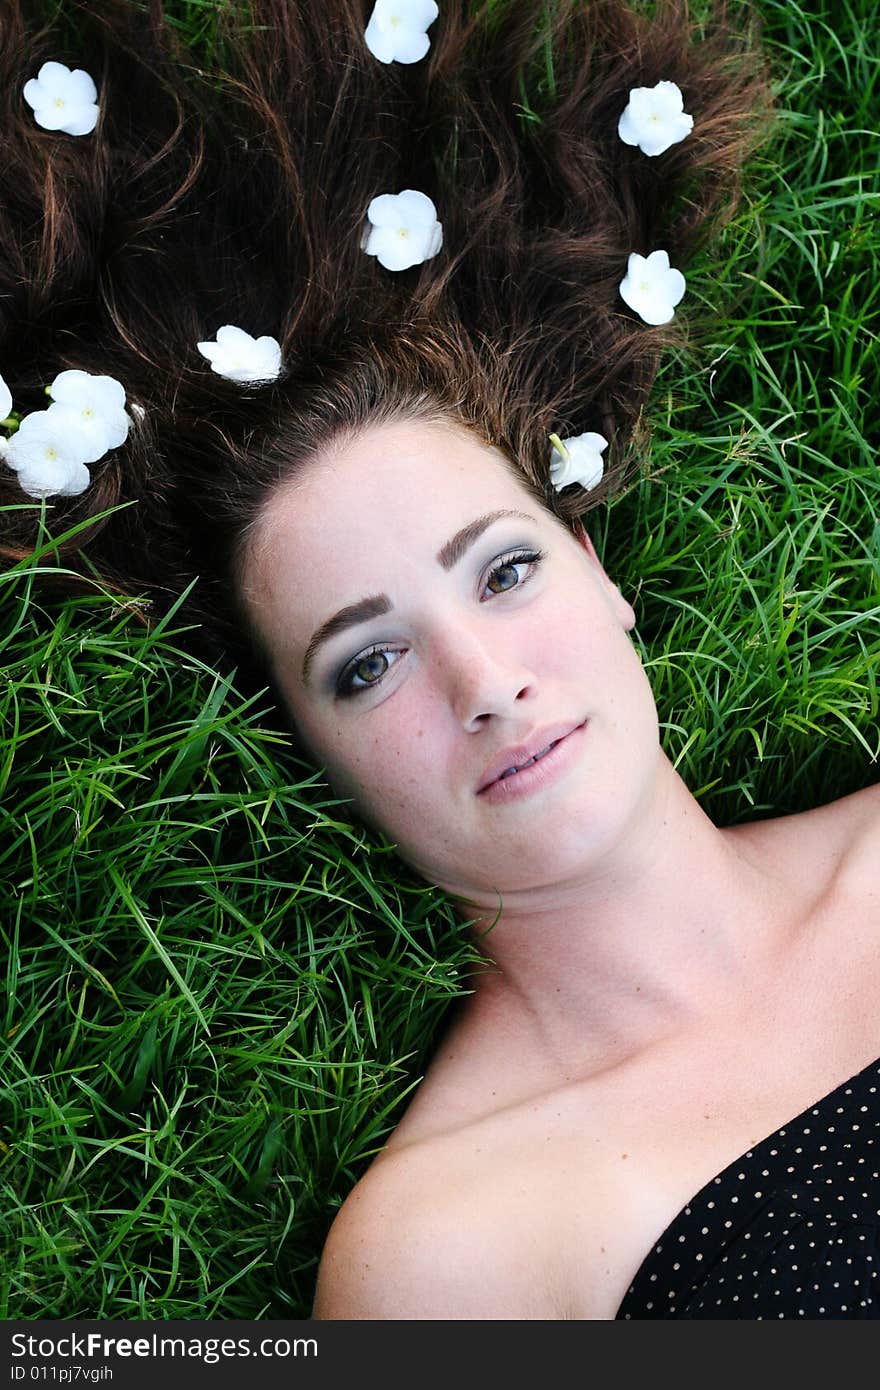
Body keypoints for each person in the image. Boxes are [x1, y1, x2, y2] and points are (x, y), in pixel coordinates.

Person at [2, 0, 877, 1320]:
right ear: (310, 752)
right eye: (365, 665)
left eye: (506, 571)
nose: (481, 681)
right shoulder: (448, 1249)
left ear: (599, 573)